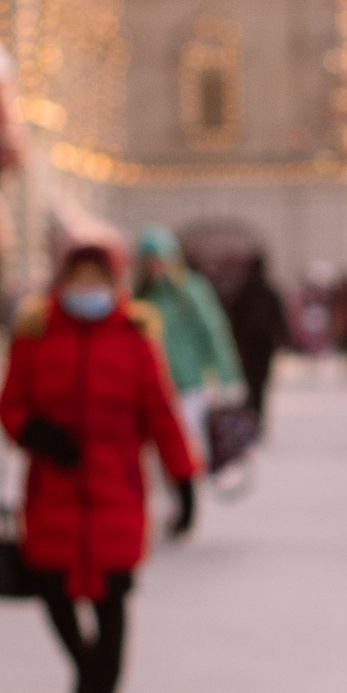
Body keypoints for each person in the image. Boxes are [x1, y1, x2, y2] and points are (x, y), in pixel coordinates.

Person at [0, 237, 197, 693]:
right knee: (51, 588)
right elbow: (9, 403)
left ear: (115, 285)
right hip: (52, 489)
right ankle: (85, 667)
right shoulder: (35, 333)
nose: (88, 289)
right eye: (79, 280)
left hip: (117, 491)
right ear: (62, 283)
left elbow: (161, 414)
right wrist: (36, 433)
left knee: (112, 598)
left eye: (98, 281)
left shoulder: (134, 338)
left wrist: (184, 479)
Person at [130, 227, 243, 536]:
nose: (156, 267)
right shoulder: (138, 298)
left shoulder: (191, 290)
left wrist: (226, 375)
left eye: (160, 260)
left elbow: (213, 331)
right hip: (152, 386)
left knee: (185, 447)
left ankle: (187, 499)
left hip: (189, 383)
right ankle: (176, 502)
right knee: (161, 453)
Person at [224, 246, 291, 431]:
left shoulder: (246, 291)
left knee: (253, 383)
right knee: (258, 384)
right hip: (259, 346)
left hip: (253, 346)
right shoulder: (258, 291)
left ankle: (252, 417)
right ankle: (254, 417)